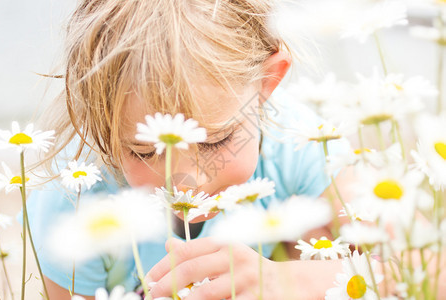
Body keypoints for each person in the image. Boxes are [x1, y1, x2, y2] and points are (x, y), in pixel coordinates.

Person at [27, 0, 353, 299]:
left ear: (267, 82)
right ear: (98, 117)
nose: (186, 183)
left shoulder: (300, 139)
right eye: (143, 151)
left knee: (322, 227)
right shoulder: (75, 198)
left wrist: (286, 280)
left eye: (215, 140)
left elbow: (401, 256)